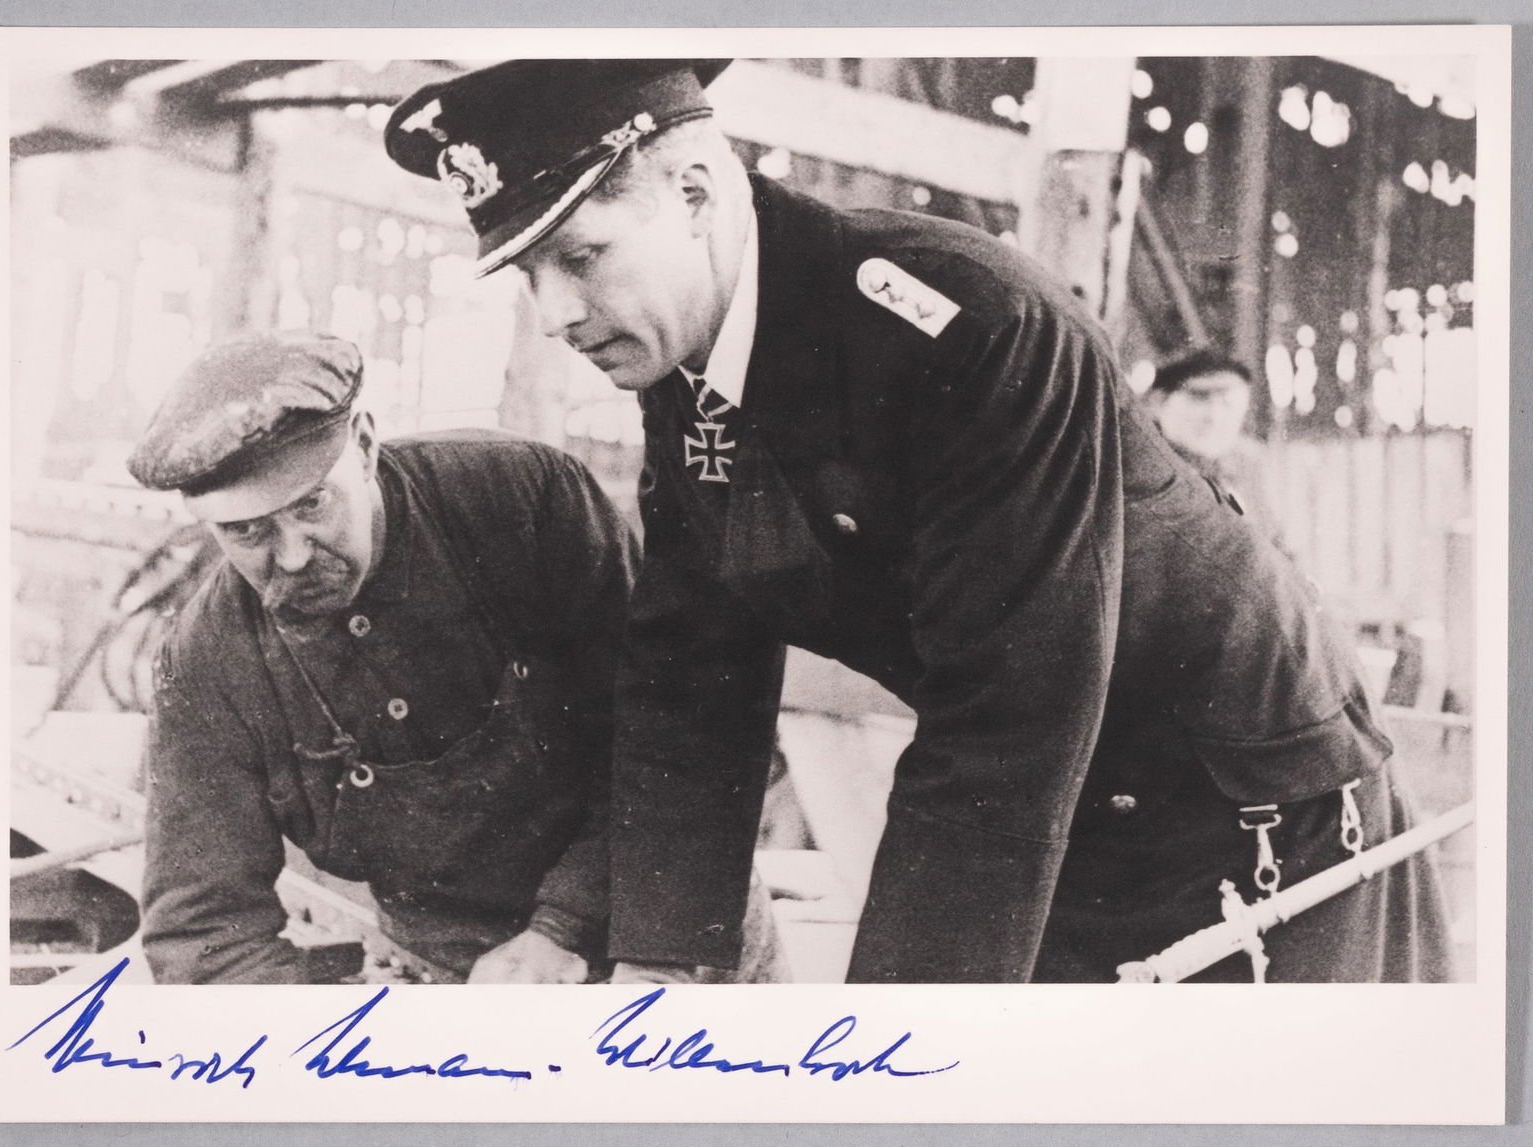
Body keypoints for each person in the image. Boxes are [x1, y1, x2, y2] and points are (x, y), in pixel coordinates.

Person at [383, 60, 1452, 983]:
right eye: (528, 273)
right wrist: (660, 955)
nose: (557, 314)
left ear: (698, 192)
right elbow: (688, 665)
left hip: (1240, 806)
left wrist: (894, 1035)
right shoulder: (685, 361)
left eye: (580, 256)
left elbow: (1004, 712)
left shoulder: (966, 326)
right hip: (1065, 819)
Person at [130, 333, 637, 984]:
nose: (291, 556)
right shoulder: (205, 658)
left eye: (311, 503)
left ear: (365, 446)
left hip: (657, 930)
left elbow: (672, 738)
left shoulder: (520, 500)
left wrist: (563, 927)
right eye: (247, 531)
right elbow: (205, 933)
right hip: (445, 976)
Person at [1143, 348, 1285, 550]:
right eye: (1199, 398)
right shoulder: (1139, 468)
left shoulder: (1246, 467)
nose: (1214, 417)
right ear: (1157, 402)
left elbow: (1276, 549)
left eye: (1228, 403)